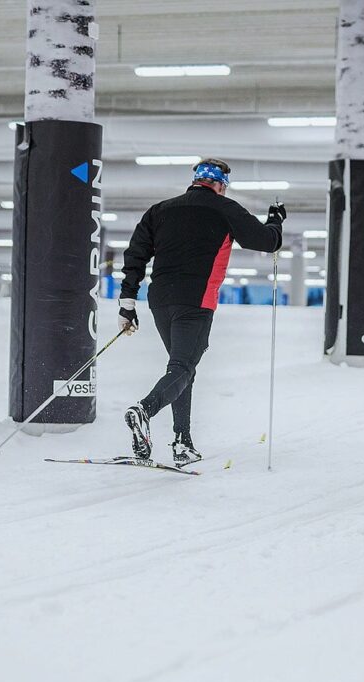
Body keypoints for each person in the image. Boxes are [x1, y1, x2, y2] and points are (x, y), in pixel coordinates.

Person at [118, 158, 286, 465]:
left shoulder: (160, 210)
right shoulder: (225, 208)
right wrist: (275, 220)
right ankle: (144, 410)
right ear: (220, 185)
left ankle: (183, 442)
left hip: (160, 301)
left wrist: (127, 302)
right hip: (196, 301)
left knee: (181, 369)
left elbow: (136, 255)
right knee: (182, 367)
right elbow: (266, 241)